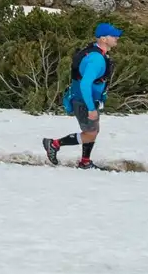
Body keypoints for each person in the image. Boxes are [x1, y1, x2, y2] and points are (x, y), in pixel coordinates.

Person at [43, 23, 122, 169]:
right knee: (90, 133)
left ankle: (85, 161)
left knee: (93, 131)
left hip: (87, 98)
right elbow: (85, 84)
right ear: (103, 39)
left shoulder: (96, 52)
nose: (117, 38)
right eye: (113, 36)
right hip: (84, 100)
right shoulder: (96, 59)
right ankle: (54, 144)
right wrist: (91, 108)